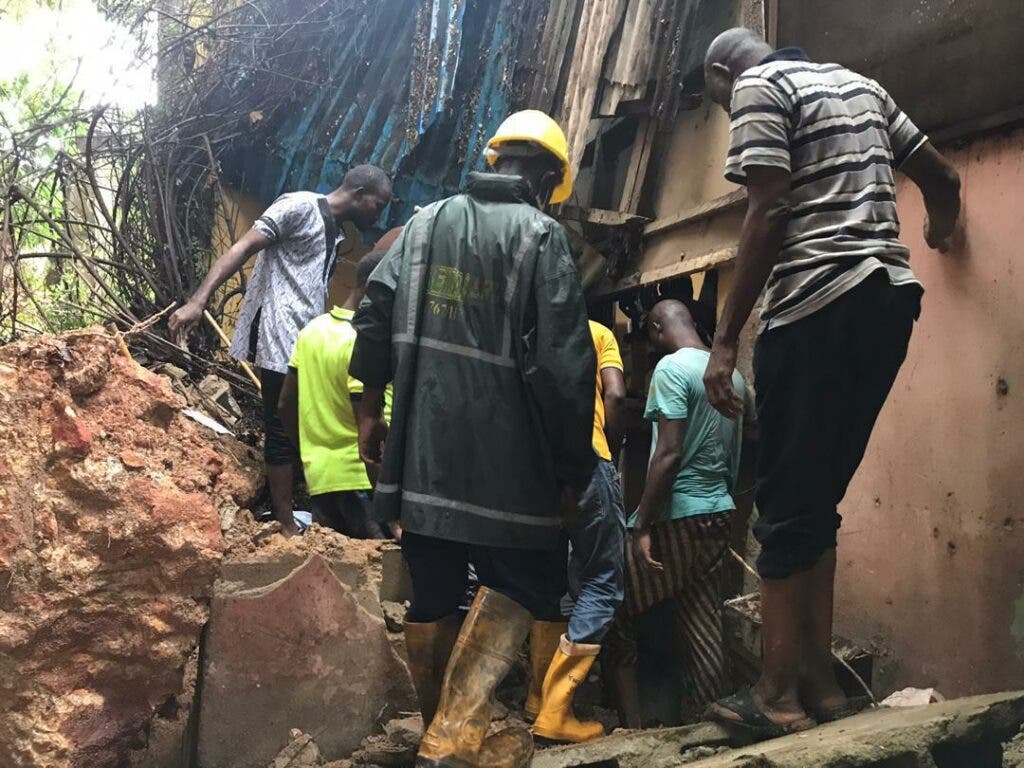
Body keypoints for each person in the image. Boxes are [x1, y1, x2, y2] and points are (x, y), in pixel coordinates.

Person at [701, 29, 961, 737]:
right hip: (888, 302)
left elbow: (771, 206)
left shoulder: (759, 87)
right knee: (817, 493)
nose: (730, 116)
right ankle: (821, 684)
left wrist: (723, 342)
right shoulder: (862, 87)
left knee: (785, 498)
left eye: (718, 101)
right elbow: (943, 178)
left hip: (815, 305)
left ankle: (776, 694)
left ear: (722, 72)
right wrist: (940, 234)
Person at [350, 110, 595, 768]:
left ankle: (441, 731)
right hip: (514, 468)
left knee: (432, 592)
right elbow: (569, 369)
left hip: (426, 457)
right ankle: (482, 733)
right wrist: (576, 467)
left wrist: (369, 407)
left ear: (495, 160)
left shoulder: (424, 225)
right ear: (546, 178)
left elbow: (373, 308)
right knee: (532, 587)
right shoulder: (542, 237)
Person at [168, 166, 392, 537]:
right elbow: (243, 246)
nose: (378, 214)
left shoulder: (334, 231)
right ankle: (286, 524)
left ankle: (307, 513)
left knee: (295, 422)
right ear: (360, 191)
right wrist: (198, 301)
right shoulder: (300, 205)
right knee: (279, 424)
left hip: (305, 334)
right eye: (378, 204)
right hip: (278, 330)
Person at [607, 299, 750, 728]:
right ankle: (710, 728)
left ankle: (632, 728)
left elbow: (667, 454)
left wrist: (641, 525)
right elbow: (737, 454)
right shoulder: (734, 377)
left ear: (655, 328)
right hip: (718, 513)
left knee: (614, 608)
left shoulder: (670, 370)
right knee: (701, 622)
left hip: (679, 516)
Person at [529, 319, 627, 743]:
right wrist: (612, 449)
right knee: (602, 582)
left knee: (546, 583)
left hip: (535, 472)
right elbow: (617, 393)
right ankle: (555, 710)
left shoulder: (524, 333)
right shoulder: (597, 332)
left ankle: (536, 698)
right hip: (589, 462)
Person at [278, 251, 392, 539]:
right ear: (374, 290)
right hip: (362, 480)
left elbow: (285, 404)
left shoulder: (312, 331)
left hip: (321, 479)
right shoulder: (363, 341)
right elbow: (365, 420)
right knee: (375, 574)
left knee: (329, 573)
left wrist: (310, 453)